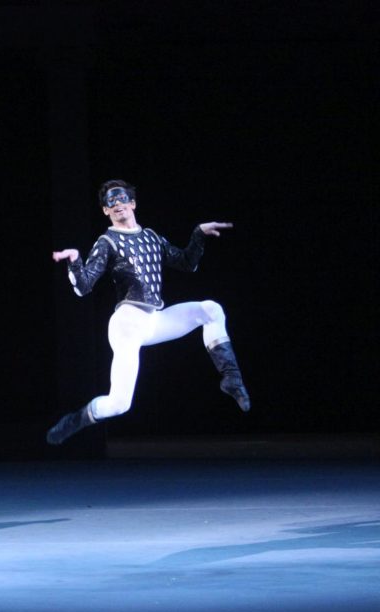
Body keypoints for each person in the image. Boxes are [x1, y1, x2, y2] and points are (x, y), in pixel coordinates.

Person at [46, 180, 250, 445]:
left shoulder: (152, 237)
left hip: (155, 320)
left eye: (121, 199)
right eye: (110, 202)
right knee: (119, 404)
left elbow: (187, 263)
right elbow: (84, 287)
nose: (117, 204)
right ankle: (77, 419)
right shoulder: (107, 241)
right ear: (106, 211)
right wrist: (74, 262)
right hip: (128, 324)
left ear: (133, 203)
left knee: (211, 309)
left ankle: (231, 379)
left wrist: (198, 234)